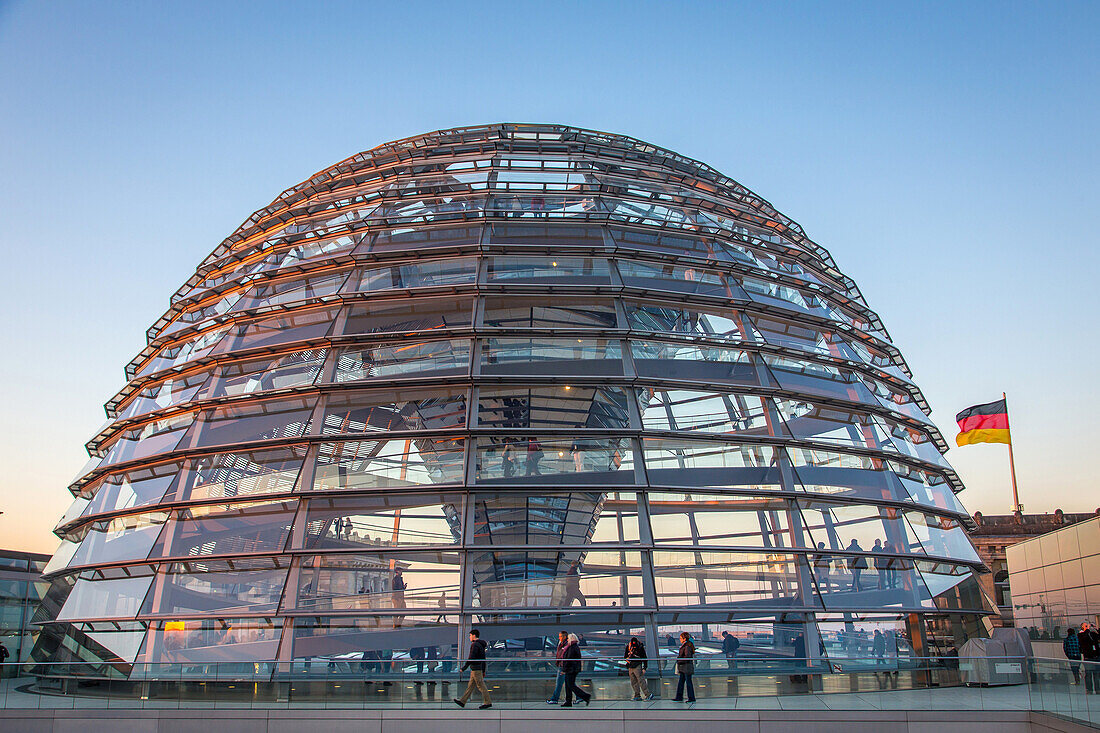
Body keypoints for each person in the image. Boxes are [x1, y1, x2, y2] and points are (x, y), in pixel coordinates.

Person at [453, 629, 492, 709]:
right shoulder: (481, 645)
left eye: (470, 635)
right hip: (478, 668)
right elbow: (483, 659)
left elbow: (471, 657)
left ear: (474, 635)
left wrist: (464, 668)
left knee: (481, 686)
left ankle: (488, 702)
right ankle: (462, 701)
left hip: (476, 669)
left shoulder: (475, 645)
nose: (469, 637)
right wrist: (483, 670)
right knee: (470, 686)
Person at [560, 633, 591, 707]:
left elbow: (568, 659)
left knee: (570, 684)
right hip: (572, 669)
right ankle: (568, 701)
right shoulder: (574, 647)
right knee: (568, 685)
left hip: (571, 669)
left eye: (568, 638)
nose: (567, 640)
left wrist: (564, 669)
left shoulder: (571, 647)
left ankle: (585, 696)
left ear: (571, 639)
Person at [624, 636, 653, 700]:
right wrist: (644, 667)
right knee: (634, 682)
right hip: (632, 666)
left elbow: (644, 657)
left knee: (640, 681)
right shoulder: (631, 646)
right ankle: (637, 695)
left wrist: (644, 668)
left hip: (636, 666)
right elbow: (625, 656)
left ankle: (647, 694)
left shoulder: (639, 647)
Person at [546, 630, 569, 704]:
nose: (559, 638)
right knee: (569, 683)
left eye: (560, 636)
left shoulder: (566, 645)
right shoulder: (562, 644)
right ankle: (580, 697)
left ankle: (554, 699)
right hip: (562, 666)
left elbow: (564, 656)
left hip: (563, 666)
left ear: (565, 637)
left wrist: (562, 665)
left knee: (560, 683)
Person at [673, 632, 696, 703]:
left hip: (686, 667)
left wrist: (679, 661)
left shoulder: (687, 646)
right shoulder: (686, 645)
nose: (679, 639)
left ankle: (691, 698)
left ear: (684, 638)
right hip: (684, 667)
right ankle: (679, 697)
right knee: (681, 682)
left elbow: (687, 657)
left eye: (680, 638)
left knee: (688, 683)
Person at [1078, 622, 1100, 694]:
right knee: (1088, 674)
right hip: (1088, 657)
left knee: (1097, 675)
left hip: (1096, 657)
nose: (1088, 627)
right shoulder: (1081, 634)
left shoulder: (1093, 634)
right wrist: (1087, 630)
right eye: (1085, 626)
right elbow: (1084, 639)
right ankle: (1089, 689)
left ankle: (1098, 689)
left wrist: (1096, 629)